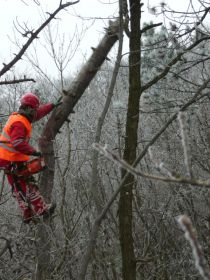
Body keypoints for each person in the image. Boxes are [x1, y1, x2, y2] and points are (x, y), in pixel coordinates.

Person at [0, 92, 62, 223]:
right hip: (11, 159)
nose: (36, 112)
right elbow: (17, 143)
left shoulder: (21, 116)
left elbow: (37, 114)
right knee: (28, 183)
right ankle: (41, 210)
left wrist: (51, 106)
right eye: (34, 109)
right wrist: (34, 152)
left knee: (18, 186)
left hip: (7, 158)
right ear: (29, 109)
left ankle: (27, 213)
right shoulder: (19, 123)